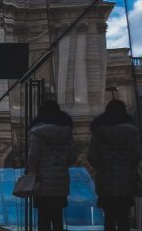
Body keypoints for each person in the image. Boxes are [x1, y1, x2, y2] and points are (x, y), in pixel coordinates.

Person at [88, 99, 142, 231]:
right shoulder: (132, 132)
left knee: (109, 217)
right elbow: (136, 154)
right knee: (124, 217)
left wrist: (101, 168)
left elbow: (91, 156)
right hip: (125, 179)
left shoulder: (99, 132)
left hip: (105, 179)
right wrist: (130, 167)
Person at [27, 100, 77, 231]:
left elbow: (33, 156)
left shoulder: (37, 132)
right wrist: (61, 166)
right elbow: (72, 156)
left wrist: (32, 173)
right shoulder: (67, 132)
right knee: (57, 218)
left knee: (43, 219)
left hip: (43, 182)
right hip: (60, 181)